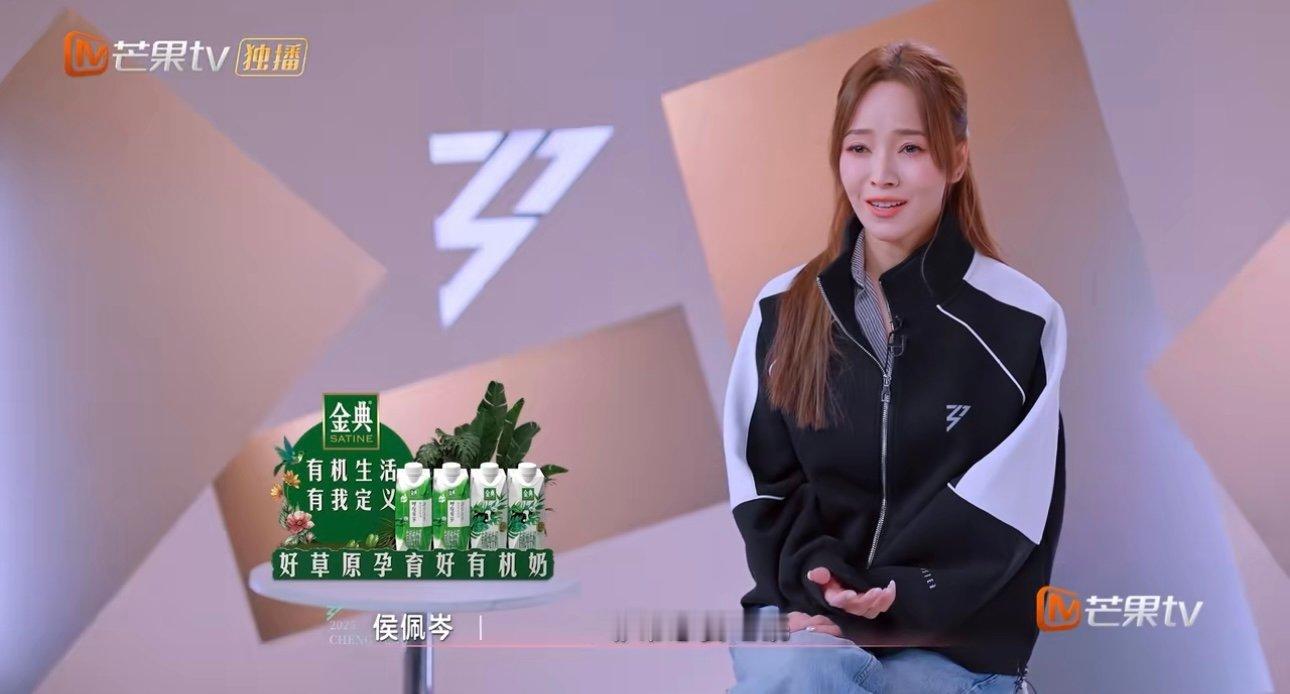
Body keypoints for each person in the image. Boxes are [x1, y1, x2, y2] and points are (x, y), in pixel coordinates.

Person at [723, 40, 1066, 693]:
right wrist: (822, 582)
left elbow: (1012, 505)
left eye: (910, 148)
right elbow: (762, 482)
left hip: (952, 643)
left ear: (957, 158)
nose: (880, 175)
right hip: (806, 620)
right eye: (859, 148)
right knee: (801, 669)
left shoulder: (1022, 320)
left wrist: (894, 594)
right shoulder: (781, 310)